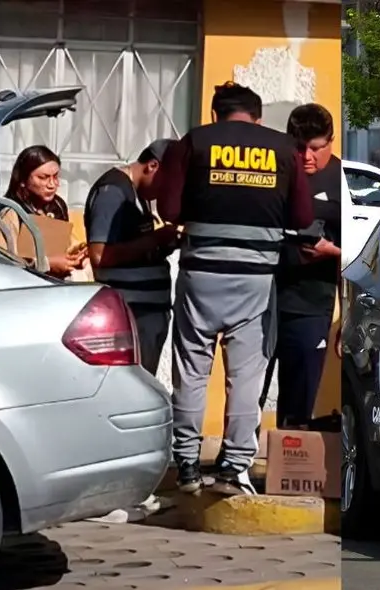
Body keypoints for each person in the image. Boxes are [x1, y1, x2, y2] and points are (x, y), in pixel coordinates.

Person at [155, 82, 313, 495]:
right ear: (256, 117)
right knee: (246, 375)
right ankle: (233, 464)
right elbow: (302, 214)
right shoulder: (283, 149)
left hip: (201, 275)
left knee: (191, 371)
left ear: (215, 114)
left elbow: (168, 210)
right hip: (256, 280)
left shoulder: (193, 142)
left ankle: (187, 464)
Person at [259, 104, 342, 429]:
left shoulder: (341, 181)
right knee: (248, 391)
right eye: (299, 148)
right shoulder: (274, 175)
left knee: (298, 405)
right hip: (263, 302)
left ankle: (289, 471)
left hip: (311, 305)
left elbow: (360, 256)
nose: (307, 156)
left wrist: (330, 251)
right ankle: (236, 464)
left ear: (331, 142)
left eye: (316, 148)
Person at [83, 140, 180, 374]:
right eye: (167, 183)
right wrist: (155, 240)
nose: (167, 191)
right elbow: (100, 255)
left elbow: (132, 246)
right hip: (129, 314)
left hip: (146, 312)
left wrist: (164, 244)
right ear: (152, 166)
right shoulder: (113, 192)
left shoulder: (138, 193)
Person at [0, 145, 87, 279]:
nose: (52, 184)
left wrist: (77, 253)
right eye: (43, 177)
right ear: (23, 180)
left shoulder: (57, 206)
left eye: (55, 177)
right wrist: (46, 264)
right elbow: (2, 262)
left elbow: (61, 246)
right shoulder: (11, 212)